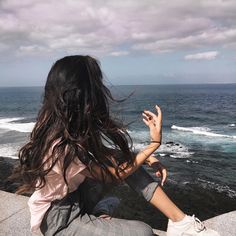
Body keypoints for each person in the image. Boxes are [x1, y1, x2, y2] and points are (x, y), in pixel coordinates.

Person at [14, 55, 220, 236]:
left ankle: (180, 222)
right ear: (82, 94)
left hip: (76, 196)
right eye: (96, 84)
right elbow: (115, 175)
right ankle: (96, 216)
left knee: (127, 160)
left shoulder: (66, 129)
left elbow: (104, 154)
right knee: (143, 232)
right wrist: (154, 144)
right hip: (59, 221)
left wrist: (147, 157)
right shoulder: (60, 145)